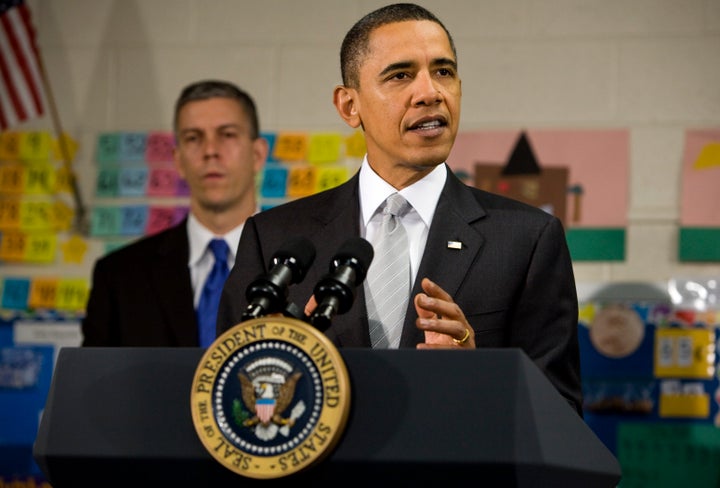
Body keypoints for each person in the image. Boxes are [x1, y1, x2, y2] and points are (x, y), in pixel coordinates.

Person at [216, 3, 582, 415]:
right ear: (349, 106)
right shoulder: (275, 239)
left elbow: (562, 414)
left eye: (444, 71)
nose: (430, 92)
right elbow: (230, 396)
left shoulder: (527, 239)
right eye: (401, 75)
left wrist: (481, 376)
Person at [82, 80, 268, 347]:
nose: (210, 151)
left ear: (258, 154)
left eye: (227, 134)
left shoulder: (307, 268)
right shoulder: (119, 276)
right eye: (194, 138)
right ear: (178, 160)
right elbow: (93, 384)